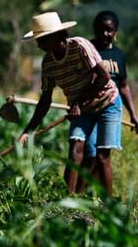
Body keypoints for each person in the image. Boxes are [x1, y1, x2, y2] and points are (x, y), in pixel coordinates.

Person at [18, 12, 119, 196]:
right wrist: (28, 130)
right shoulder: (48, 63)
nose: (38, 44)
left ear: (56, 37)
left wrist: (78, 102)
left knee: (102, 156)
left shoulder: (80, 46)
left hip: (107, 101)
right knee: (75, 149)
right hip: (81, 109)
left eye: (41, 39)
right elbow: (45, 100)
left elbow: (104, 77)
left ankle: (109, 206)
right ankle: (68, 202)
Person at [81, 11, 138, 189]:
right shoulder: (86, 49)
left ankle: (100, 199)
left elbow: (124, 86)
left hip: (110, 106)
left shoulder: (119, 55)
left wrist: (134, 115)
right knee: (89, 153)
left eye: (109, 30)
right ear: (95, 29)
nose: (105, 34)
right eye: (101, 30)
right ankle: (75, 197)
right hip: (89, 107)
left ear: (115, 31)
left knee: (102, 156)